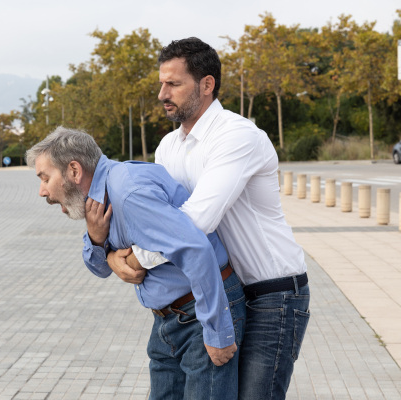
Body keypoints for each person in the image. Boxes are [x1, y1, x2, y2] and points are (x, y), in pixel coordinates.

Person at [99, 37, 311, 400]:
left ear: (207, 84)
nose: (163, 93)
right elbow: (156, 220)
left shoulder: (236, 136)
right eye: (161, 84)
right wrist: (108, 254)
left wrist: (131, 260)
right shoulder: (169, 146)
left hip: (272, 294)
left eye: (174, 84)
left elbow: (196, 222)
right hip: (225, 293)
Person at [26, 126, 245, 399]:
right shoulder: (99, 196)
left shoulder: (128, 191)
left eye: (45, 178)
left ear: (73, 170)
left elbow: (196, 249)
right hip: (168, 322)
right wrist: (97, 240)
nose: (41, 191)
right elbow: (100, 269)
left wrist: (217, 331)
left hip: (201, 314)